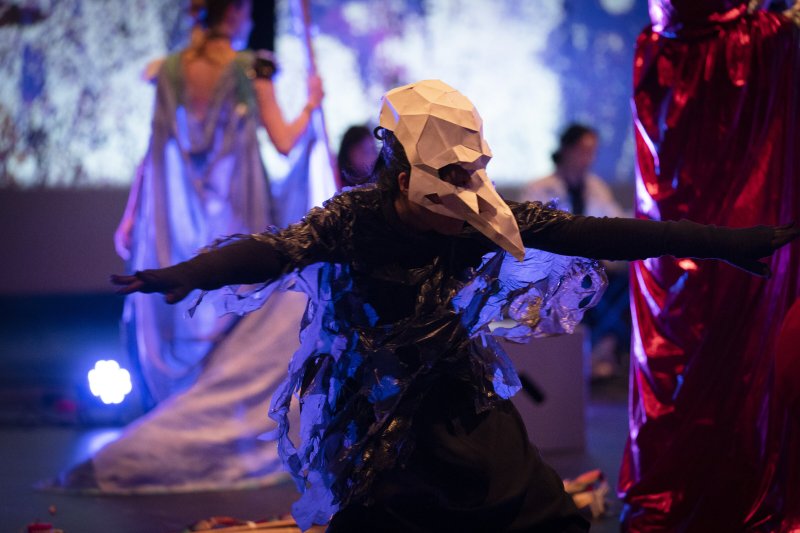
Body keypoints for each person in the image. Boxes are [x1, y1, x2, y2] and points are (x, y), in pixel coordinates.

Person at [112, 80, 797, 531]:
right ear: (404, 177)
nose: (462, 208)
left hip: (460, 400)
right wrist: (183, 272)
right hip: (379, 426)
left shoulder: (479, 213)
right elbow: (269, 250)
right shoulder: (351, 222)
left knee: (546, 518)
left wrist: (725, 243)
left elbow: (604, 232)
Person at [52, 0, 324, 493]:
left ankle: (181, 419)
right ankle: (222, 429)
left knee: (197, 317)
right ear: (236, 12)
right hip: (238, 213)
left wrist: (134, 213)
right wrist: (310, 103)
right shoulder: (251, 70)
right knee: (241, 316)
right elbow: (285, 142)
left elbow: (153, 151)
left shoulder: (170, 70)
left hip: (180, 221)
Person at [622, 1, 800, 530]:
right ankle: (726, 492)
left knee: (687, 324)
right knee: (731, 311)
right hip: (737, 60)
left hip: (701, 56)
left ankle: (684, 494)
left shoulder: (662, 46)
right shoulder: (756, 43)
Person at [522, 123, 629, 379]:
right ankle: (582, 356)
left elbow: (614, 223)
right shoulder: (539, 189)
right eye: (583, 150)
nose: (587, 158)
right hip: (556, 273)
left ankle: (605, 348)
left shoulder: (596, 187)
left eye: (592, 152)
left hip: (596, 270)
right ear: (566, 150)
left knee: (627, 283)